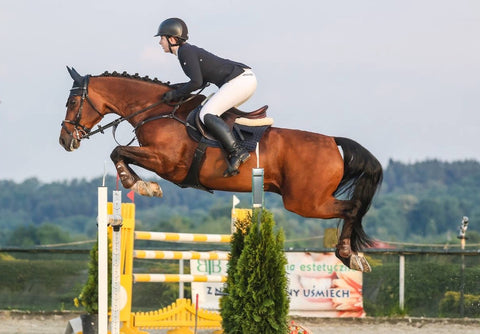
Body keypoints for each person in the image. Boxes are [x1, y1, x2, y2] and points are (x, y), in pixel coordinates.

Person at [155, 18, 257, 177]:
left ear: (172, 39)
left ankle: (237, 151)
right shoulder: (185, 52)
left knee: (206, 114)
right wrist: (176, 89)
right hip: (242, 79)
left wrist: (174, 94)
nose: (160, 42)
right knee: (211, 111)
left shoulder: (185, 52)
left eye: (162, 38)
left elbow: (196, 82)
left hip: (240, 80)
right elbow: (198, 81)